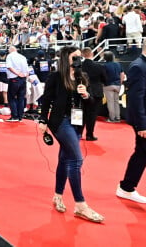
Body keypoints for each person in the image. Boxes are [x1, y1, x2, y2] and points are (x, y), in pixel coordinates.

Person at [38, 46, 104, 223]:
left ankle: (58, 195)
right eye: (75, 57)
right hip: (60, 122)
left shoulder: (82, 76)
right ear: (66, 58)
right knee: (76, 159)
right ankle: (80, 204)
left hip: (77, 122)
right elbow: (46, 99)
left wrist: (86, 95)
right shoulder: (56, 76)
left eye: (79, 57)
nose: (78, 60)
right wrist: (43, 120)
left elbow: (90, 104)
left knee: (65, 159)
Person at [116, 35, 146, 214]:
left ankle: (126, 187)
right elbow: (136, 100)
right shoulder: (139, 67)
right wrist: (142, 125)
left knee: (142, 155)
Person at [78, 47, 106, 141]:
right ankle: (89, 135)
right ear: (92, 54)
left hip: (82, 91)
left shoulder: (79, 66)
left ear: (82, 54)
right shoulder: (99, 66)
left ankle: (79, 133)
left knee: (82, 113)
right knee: (92, 115)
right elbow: (105, 79)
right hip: (96, 92)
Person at [5, 45, 29, 122]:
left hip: (14, 78)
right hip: (23, 79)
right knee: (21, 98)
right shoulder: (23, 57)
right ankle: (20, 116)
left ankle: (14, 116)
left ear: (11, 50)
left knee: (11, 97)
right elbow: (27, 70)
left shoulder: (10, 56)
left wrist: (18, 73)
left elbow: (9, 66)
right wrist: (24, 75)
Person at [102, 51, 124, 123]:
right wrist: (120, 83)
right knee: (116, 102)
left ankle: (112, 118)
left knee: (110, 102)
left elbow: (103, 76)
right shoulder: (118, 64)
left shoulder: (104, 66)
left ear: (105, 58)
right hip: (117, 85)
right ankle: (118, 118)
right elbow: (122, 75)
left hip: (108, 85)